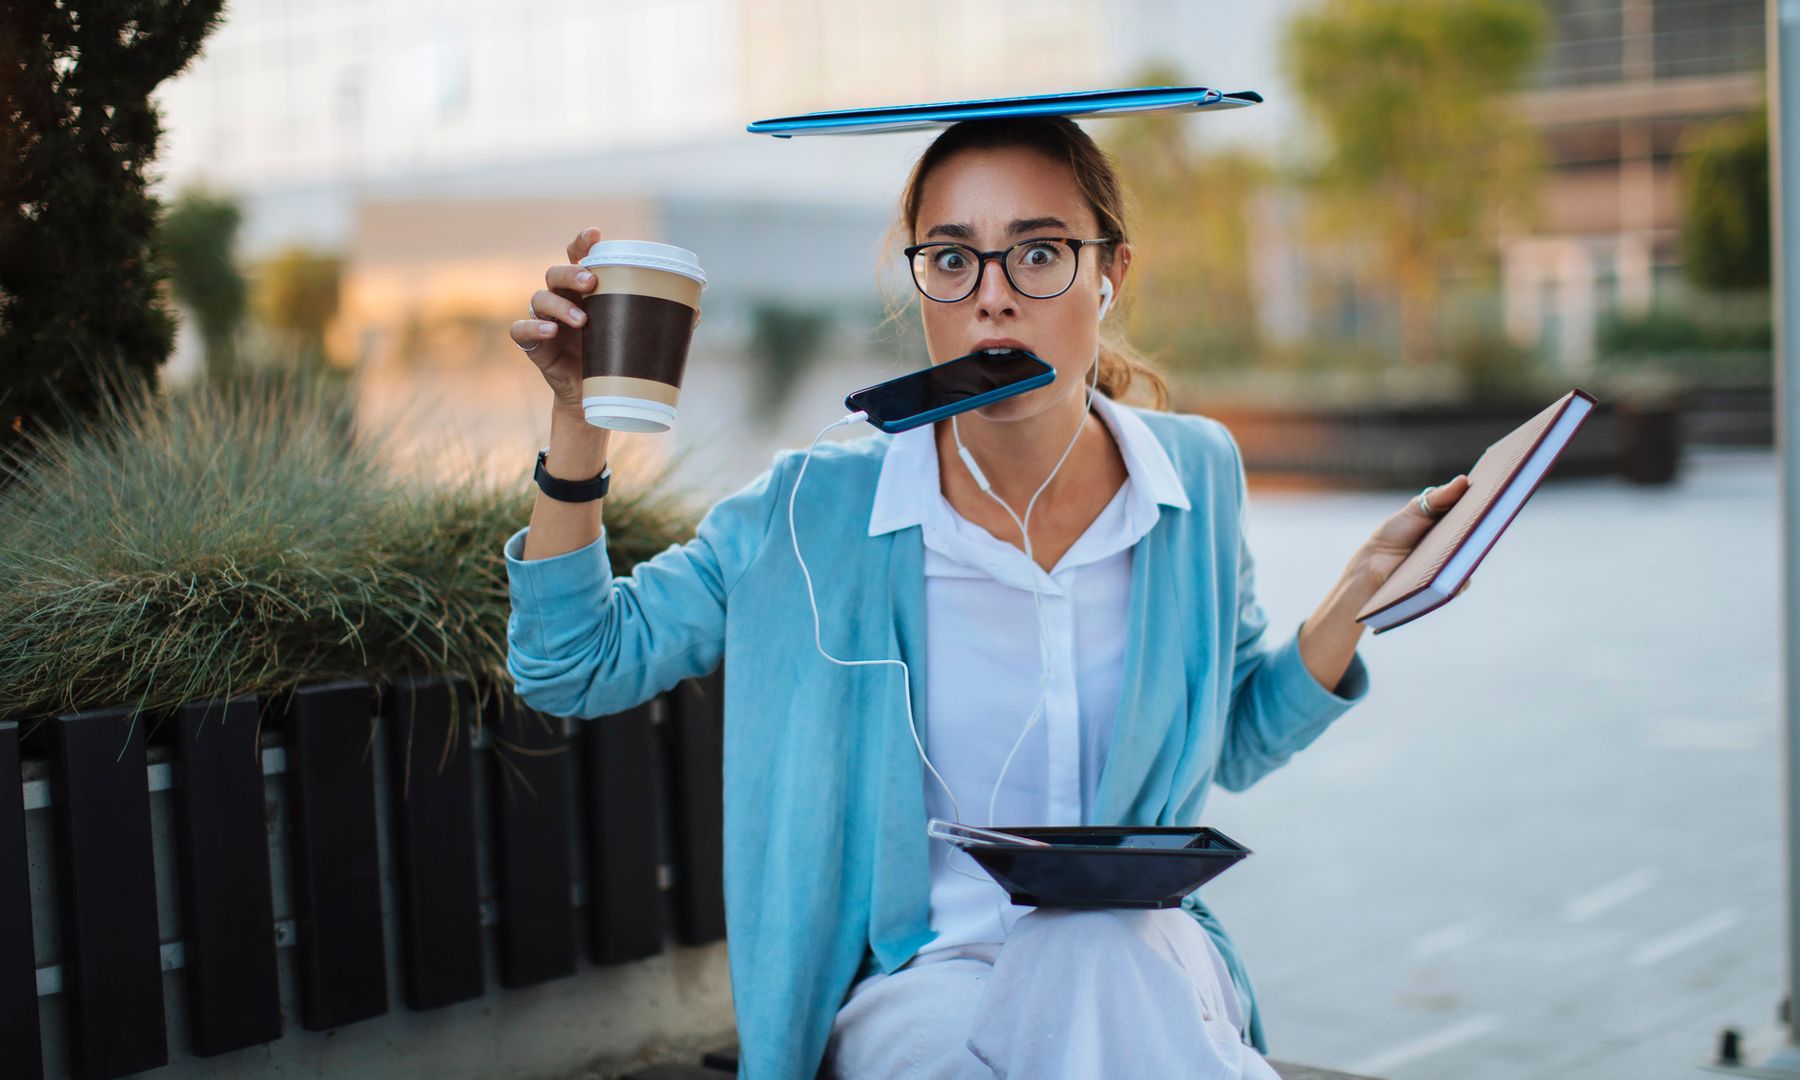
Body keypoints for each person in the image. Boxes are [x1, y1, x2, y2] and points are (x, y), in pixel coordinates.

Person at [502, 116, 1469, 1079]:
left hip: (1144, 958)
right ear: (918, 281)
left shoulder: (1194, 479)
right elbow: (572, 665)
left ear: (1111, 273)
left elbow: (1240, 737)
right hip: (924, 985)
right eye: (954, 261)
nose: (994, 301)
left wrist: (1353, 600)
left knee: (1092, 947)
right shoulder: (814, 512)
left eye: (1039, 254)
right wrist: (577, 426)